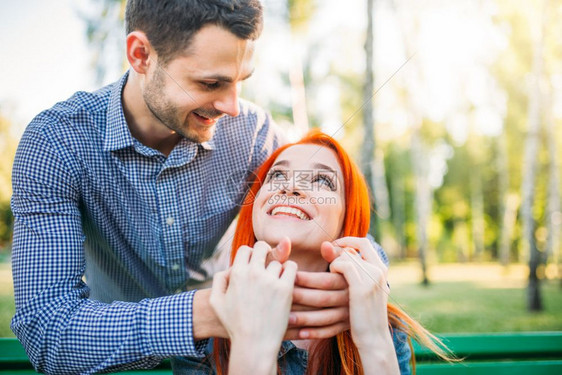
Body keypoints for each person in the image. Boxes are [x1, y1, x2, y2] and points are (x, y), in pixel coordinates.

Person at [10, 1, 360, 373]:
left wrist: (362, 279)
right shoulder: (56, 143)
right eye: (211, 83)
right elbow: (47, 330)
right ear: (141, 55)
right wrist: (211, 311)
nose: (232, 107)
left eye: (241, 81)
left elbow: (339, 215)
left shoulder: (251, 133)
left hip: (219, 361)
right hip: (114, 364)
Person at [172, 130, 452, 374]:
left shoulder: (384, 326)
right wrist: (253, 347)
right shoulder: (203, 340)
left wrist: (373, 337)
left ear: (347, 222)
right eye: (278, 175)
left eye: (322, 181)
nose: (291, 187)